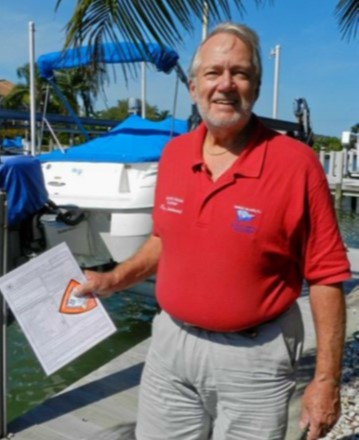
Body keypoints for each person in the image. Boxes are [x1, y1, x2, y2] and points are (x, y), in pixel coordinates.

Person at [75, 23, 351, 440]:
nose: (226, 84)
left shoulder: (297, 164)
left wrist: (326, 381)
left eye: (239, 73)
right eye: (213, 72)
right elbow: (164, 239)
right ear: (192, 87)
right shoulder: (173, 154)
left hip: (255, 357)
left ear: (255, 88)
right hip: (170, 345)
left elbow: (328, 274)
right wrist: (114, 278)